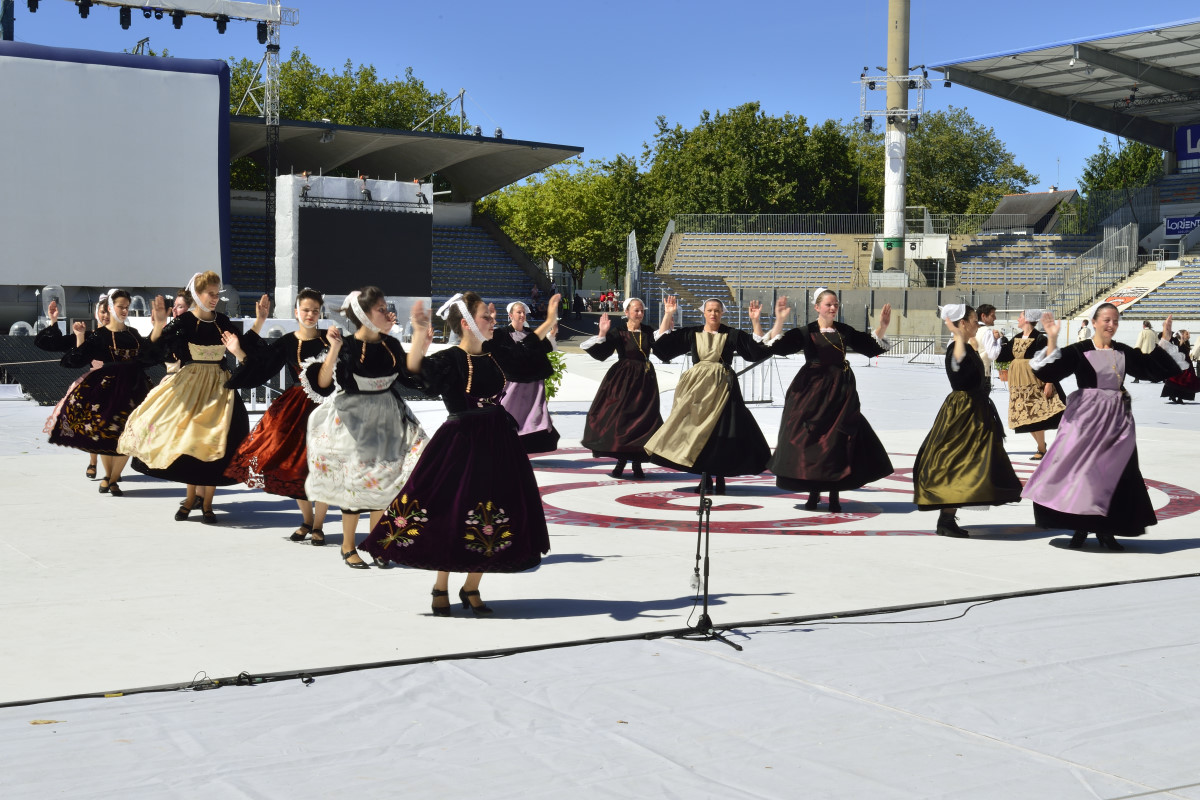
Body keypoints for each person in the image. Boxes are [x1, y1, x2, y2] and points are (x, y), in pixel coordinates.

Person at [360, 292, 560, 616]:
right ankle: (441, 586)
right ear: (467, 323)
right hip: (461, 445)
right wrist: (418, 340)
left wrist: (549, 322)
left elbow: (527, 357)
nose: (493, 321)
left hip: (499, 443)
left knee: (494, 512)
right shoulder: (449, 359)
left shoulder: (497, 353)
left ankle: (472, 587)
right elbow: (415, 377)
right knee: (452, 513)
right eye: (486, 316)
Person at [1023, 306, 1188, 550]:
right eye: (1106, 320)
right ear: (1095, 322)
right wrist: (1053, 338)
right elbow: (1049, 370)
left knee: (1115, 476)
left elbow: (1149, 368)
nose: (1111, 324)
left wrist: (1165, 337)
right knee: (1082, 476)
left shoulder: (1122, 351)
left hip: (1117, 424)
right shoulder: (1079, 351)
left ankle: (1107, 530)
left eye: (1115, 321)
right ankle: (1080, 528)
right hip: (1085, 422)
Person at [118, 272, 266, 524]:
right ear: (197, 294)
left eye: (217, 293)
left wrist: (259, 322)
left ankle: (207, 504)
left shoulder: (223, 321)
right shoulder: (184, 323)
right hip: (190, 388)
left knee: (216, 444)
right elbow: (152, 354)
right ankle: (190, 499)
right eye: (210, 293)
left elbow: (245, 350)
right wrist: (159, 325)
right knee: (189, 442)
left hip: (220, 388)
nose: (215, 298)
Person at [304, 287, 427, 568]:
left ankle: (378, 543)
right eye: (381, 309)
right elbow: (323, 385)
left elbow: (410, 376)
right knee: (357, 484)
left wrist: (420, 335)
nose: (388, 313)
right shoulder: (346, 346)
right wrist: (334, 350)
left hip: (388, 417)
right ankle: (348, 546)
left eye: (386, 307)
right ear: (364, 315)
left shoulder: (391, 344)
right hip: (354, 419)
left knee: (385, 482)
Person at [757, 289, 893, 512]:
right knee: (811, 442)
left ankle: (835, 496)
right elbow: (778, 347)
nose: (833, 308)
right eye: (828, 304)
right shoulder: (806, 332)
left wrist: (883, 326)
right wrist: (780, 320)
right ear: (817, 307)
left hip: (841, 391)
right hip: (811, 391)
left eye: (835, 304)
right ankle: (813, 494)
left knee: (837, 442)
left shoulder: (844, 331)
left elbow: (869, 346)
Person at [225, 289, 333, 543]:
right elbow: (261, 367)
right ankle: (306, 520)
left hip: (328, 409)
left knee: (326, 466)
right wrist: (239, 351)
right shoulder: (286, 342)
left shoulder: (330, 340)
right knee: (293, 465)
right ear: (296, 312)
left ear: (320, 313)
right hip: (295, 410)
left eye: (315, 311)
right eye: (305, 310)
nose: (310, 315)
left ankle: (318, 526)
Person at [644, 296, 781, 495]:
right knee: (697, 432)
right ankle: (705, 477)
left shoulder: (731, 334)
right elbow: (664, 349)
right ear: (704, 312)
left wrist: (755, 321)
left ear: (722, 312)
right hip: (696, 390)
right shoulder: (692, 333)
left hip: (723, 389)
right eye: (710, 310)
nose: (713, 314)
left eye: (717, 310)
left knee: (721, 432)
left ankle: (721, 476)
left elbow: (755, 351)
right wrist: (668, 314)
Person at [912, 305, 1023, 537]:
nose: (977, 324)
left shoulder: (969, 346)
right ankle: (946, 518)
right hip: (963, 412)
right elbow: (958, 375)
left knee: (973, 462)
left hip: (975, 409)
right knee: (959, 461)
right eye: (973, 320)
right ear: (963, 323)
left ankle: (948, 517)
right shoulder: (957, 348)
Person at [46, 290, 153, 496]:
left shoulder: (134, 334)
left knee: (130, 435)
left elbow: (148, 356)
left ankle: (112, 479)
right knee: (104, 432)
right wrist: (77, 338)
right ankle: (105, 474)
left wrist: (158, 326)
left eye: (126, 307)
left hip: (134, 388)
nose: (124, 310)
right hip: (107, 389)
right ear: (111, 308)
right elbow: (78, 357)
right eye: (120, 306)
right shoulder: (99, 335)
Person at [580, 297, 663, 480]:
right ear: (626, 312)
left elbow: (660, 346)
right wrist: (602, 334)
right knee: (621, 421)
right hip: (623, 380)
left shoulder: (648, 331)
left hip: (645, 380)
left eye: (642, 310)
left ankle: (637, 464)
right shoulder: (618, 332)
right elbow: (603, 353)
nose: (640, 314)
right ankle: (621, 461)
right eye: (636, 310)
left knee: (642, 421)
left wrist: (669, 316)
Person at [36, 296, 100, 481]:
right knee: (92, 424)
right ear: (97, 314)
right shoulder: (90, 336)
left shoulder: (126, 336)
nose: (105, 315)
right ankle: (93, 462)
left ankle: (112, 470)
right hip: (95, 385)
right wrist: (53, 321)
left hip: (120, 383)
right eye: (102, 311)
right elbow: (51, 345)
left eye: (108, 311)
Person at [997, 309, 1066, 460]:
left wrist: (1049, 382)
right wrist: (997, 341)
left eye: (1020, 316)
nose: (1018, 319)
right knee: (1025, 416)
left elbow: (1050, 361)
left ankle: (1041, 448)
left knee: (1036, 414)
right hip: (1019, 383)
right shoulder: (1016, 338)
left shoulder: (1040, 339)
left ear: (1027, 319)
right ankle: (1042, 446)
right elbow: (1003, 356)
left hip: (1035, 381)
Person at [494, 301, 560, 453]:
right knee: (510, 413)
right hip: (512, 385)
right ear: (510, 315)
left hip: (533, 385)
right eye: (519, 312)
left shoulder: (531, 334)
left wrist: (551, 335)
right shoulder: (501, 334)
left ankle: (523, 447)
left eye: (523, 312)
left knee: (531, 417)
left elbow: (545, 349)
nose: (522, 315)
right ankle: (503, 445)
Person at [1161, 329, 1199, 404]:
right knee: (1179, 380)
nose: (1188, 335)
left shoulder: (1186, 342)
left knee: (1185, 380)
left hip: (1187, 363)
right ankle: (1177, 396)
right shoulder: (1178, 342)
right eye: (1186, 334)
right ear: (1182, 335)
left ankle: (1177, 396)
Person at [973, 303, 1003, 385]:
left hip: (969, 370)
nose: (995, 318)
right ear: (983, 316)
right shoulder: (987, 331)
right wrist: (998, 340)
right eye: (992, 315)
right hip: (983, 372)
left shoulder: (971, 329)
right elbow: (993, 355)